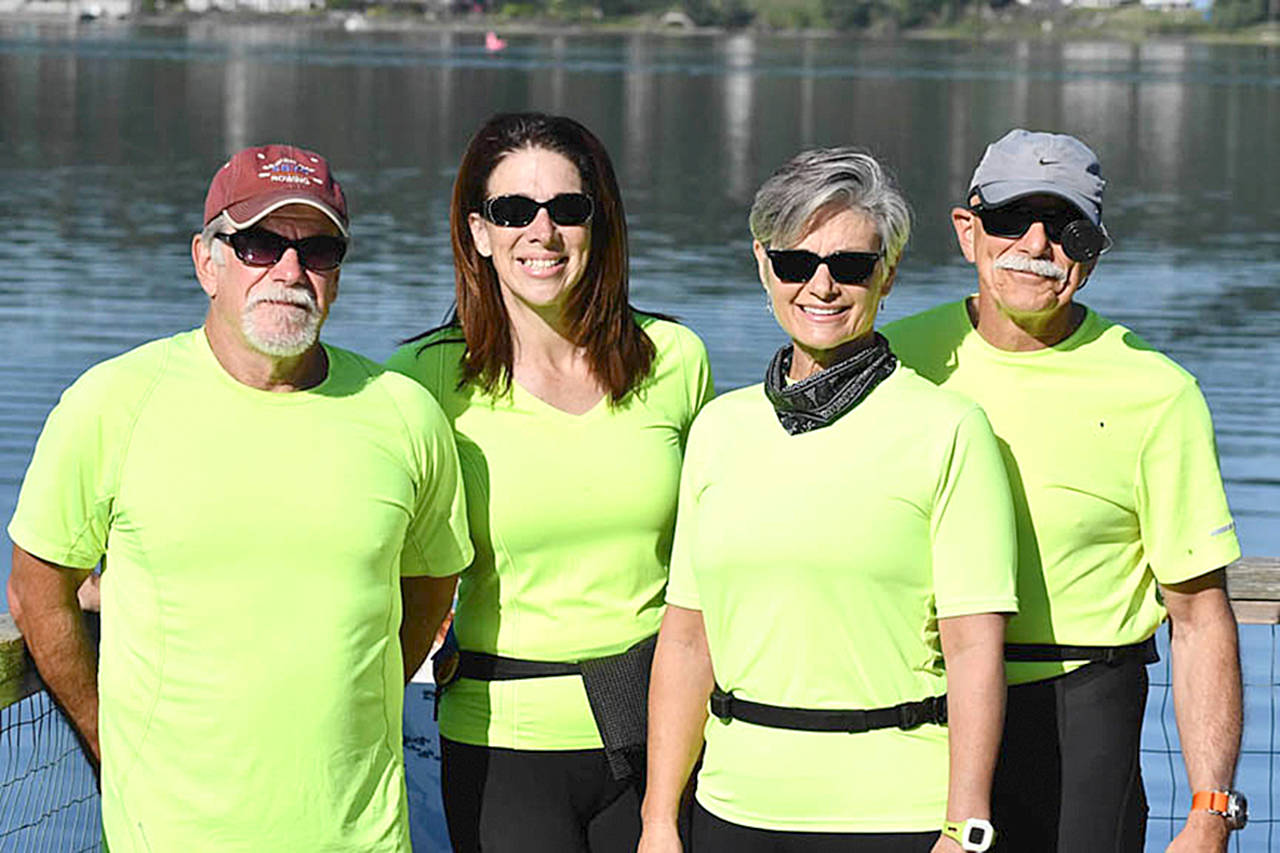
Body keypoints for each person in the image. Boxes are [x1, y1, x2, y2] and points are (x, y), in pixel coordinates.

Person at [6, 143, 474, 851]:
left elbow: (433, 584)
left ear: (338, 275)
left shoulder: (405, 416)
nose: (290, 271)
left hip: (360, 836)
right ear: (206, 261)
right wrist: (108, 736)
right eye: (258, 244)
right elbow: (38, 591)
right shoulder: (110, 404)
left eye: (317, 249)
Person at [640, 147, 1018, 853]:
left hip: (895, 817)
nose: (822, 285)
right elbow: (688, 638)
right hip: (733, 810)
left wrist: (964, 830)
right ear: (763, 264)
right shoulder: (720, 431)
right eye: (796, 262)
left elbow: (974, 650)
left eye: (850, 266)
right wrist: (660, 817)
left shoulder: (949, 430)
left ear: (888, 275)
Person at [884, 129, 1245, 852]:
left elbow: (1200, 616)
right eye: (1012, 218)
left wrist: (1209, 810)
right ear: (967, 229)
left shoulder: (1158, 393)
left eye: (1066, 226)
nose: (1036, 243)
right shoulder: (894, 363)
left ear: (1095, 248)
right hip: (913, 706)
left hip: (1082, 718)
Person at [387, 112, 713, 852]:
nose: (543, 232)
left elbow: (709, 566)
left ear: (598, 224)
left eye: (567, 209)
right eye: (513, 211)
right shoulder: (426, 380)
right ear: (477, 231)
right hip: (502, 744)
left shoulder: (676, 359)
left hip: (656, 738)